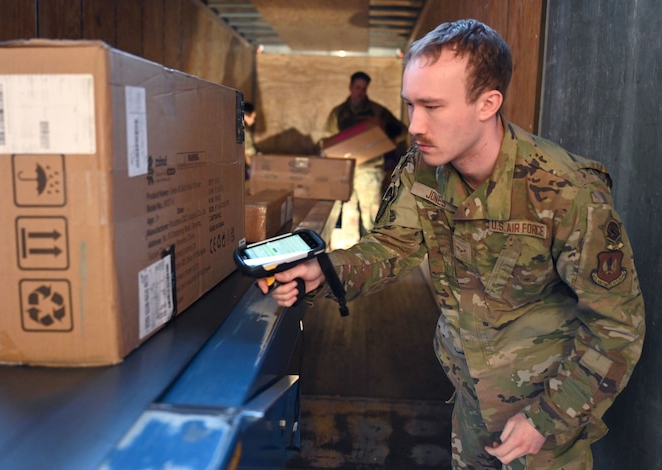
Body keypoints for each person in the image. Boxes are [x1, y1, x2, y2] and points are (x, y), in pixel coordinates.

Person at [258, 19, 645, 469]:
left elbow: (617, 326)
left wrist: (548, 419)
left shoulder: (567, 192)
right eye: (410, 105)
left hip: (542, 417)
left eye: (433, 106)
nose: (415, 125)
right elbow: (390, 247)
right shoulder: (421, 170)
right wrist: (322, 271)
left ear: (488, 103)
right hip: (468, 399)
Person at [321, 71, 407, 248]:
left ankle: (375, 251)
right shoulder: (338, 113)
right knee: (349, 213)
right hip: (346, 172)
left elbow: (401, 131)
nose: (360, 91)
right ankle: (349, 255)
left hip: (370, 170)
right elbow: (328, 141)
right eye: (357, 87)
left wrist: (383, 142)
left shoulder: (377, 112)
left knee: (371, 213)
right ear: (351, 87)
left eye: (364, 88)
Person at [243, 101, 258, 180]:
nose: (253, 121)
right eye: (252, 117)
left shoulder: (244, 130)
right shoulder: (241, 132)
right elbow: (248, 152)